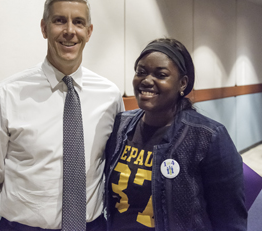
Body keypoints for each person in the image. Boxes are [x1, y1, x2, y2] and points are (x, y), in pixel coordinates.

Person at [0, 0, 124, 231]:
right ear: (44, 28)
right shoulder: (7, 94)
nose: (69, 30)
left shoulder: (110, 96)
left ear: (89, 32)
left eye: (78, 22)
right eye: (59, 21)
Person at [104, 38, 247, 230]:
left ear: (182, 83)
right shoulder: (121, 125)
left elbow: (229, 220)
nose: (146, 80)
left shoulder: (209, 137)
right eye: (141, 72)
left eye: (160, 74)